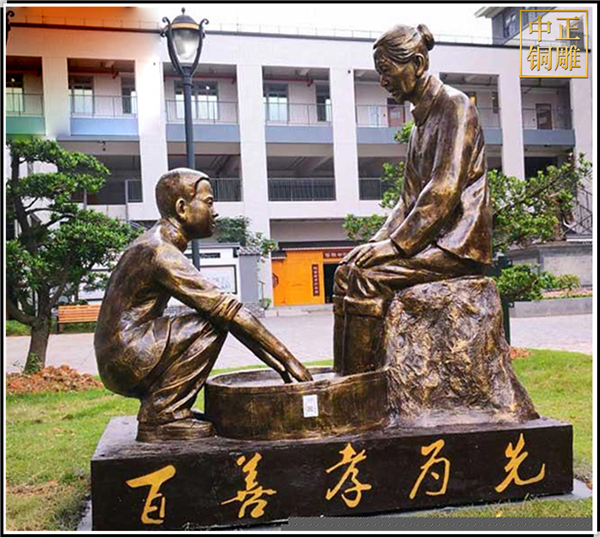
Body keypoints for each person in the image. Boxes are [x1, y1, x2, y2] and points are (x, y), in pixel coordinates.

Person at [94, 168, 312, 442]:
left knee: (213, 319)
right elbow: (228, 311)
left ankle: (165, 410)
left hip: (123, 352)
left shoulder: (156, 243)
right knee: (210, 323)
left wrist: (279, 364)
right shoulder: (160, 252)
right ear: (182, 208)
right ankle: (162, 416)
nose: (215, 212)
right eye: (209, 202)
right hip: (126, 356)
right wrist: (288, 360)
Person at [333, 23, 492, 375]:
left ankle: (361, 386)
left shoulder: (455, 105)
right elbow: (406, 202)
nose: (382, 81)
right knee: (346, 272)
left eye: (386, 70)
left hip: (456, 245)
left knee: (367, 278)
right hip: (430, 242)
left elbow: (443, 189)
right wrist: (375, 244)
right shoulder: (419, 126)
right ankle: (342, 379)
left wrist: (395, 247)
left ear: (417, 64)